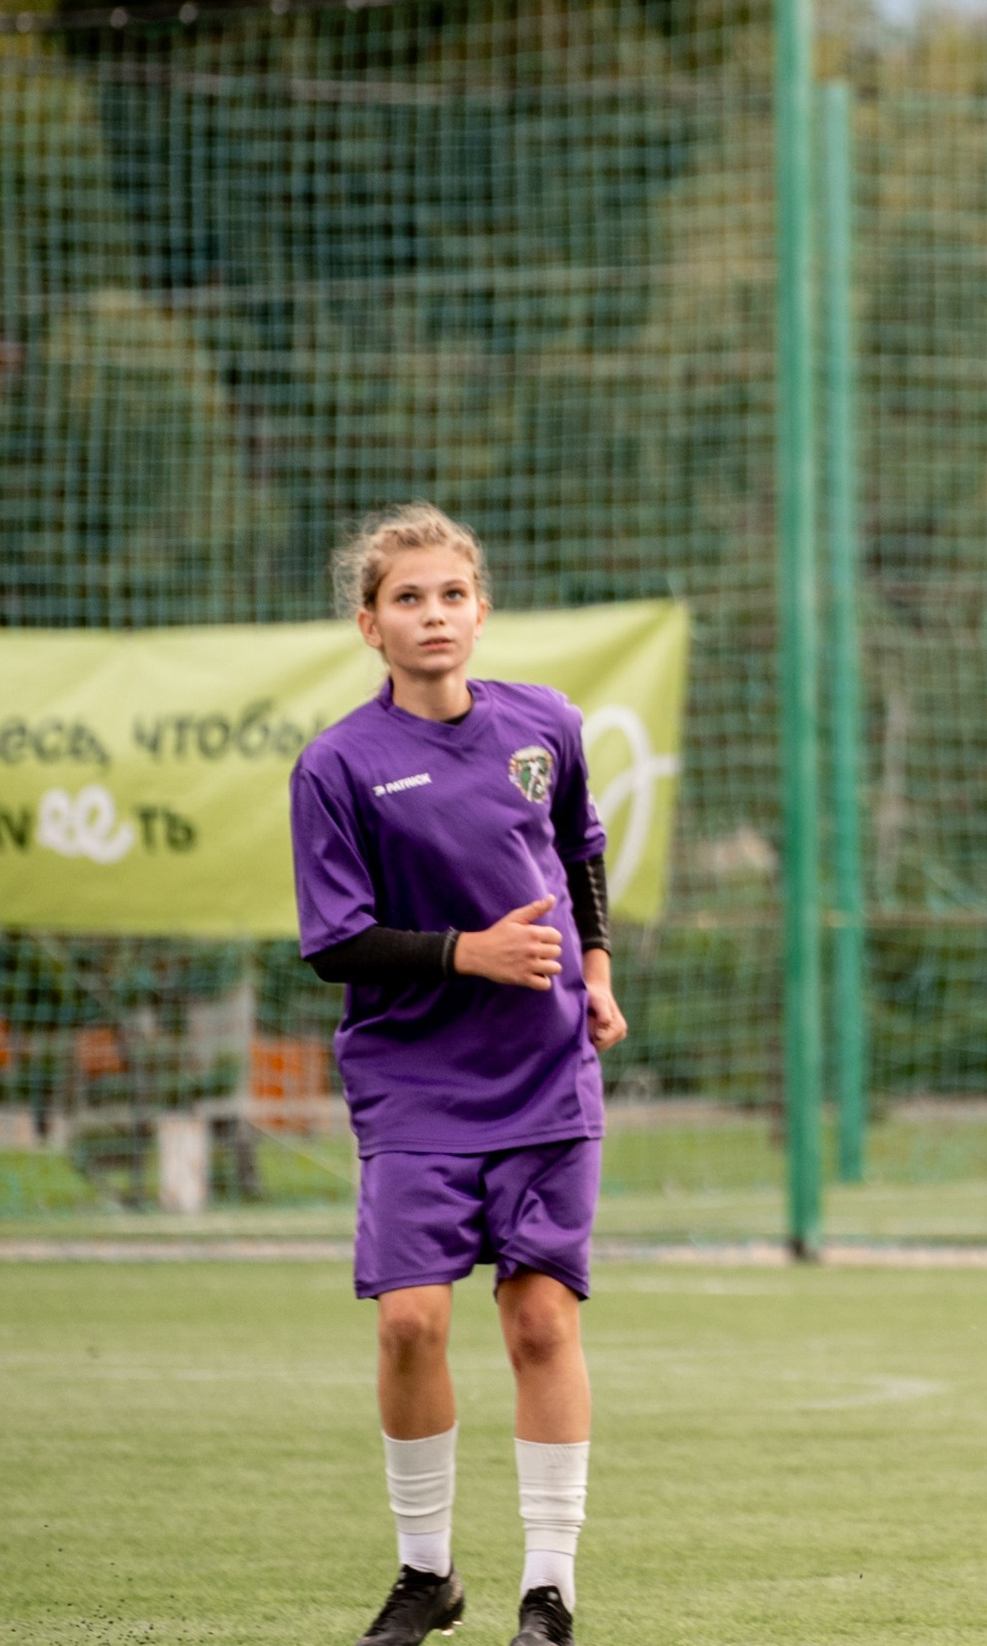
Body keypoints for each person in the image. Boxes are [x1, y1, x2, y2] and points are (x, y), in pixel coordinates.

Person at [291, 503, 628, 1646]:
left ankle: (549, 1588)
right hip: (412, 1079)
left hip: (543, 1070)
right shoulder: (337, 763)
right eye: (407, 598)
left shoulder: (547, 724)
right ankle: (426, 1571)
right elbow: (335, 941)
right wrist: (465, 952)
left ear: (480, 610)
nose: (432, 614)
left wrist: (596, 968)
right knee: (409, 1324)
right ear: (369, 625)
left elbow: (579, 851)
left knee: (539, 1319)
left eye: (450, 594)